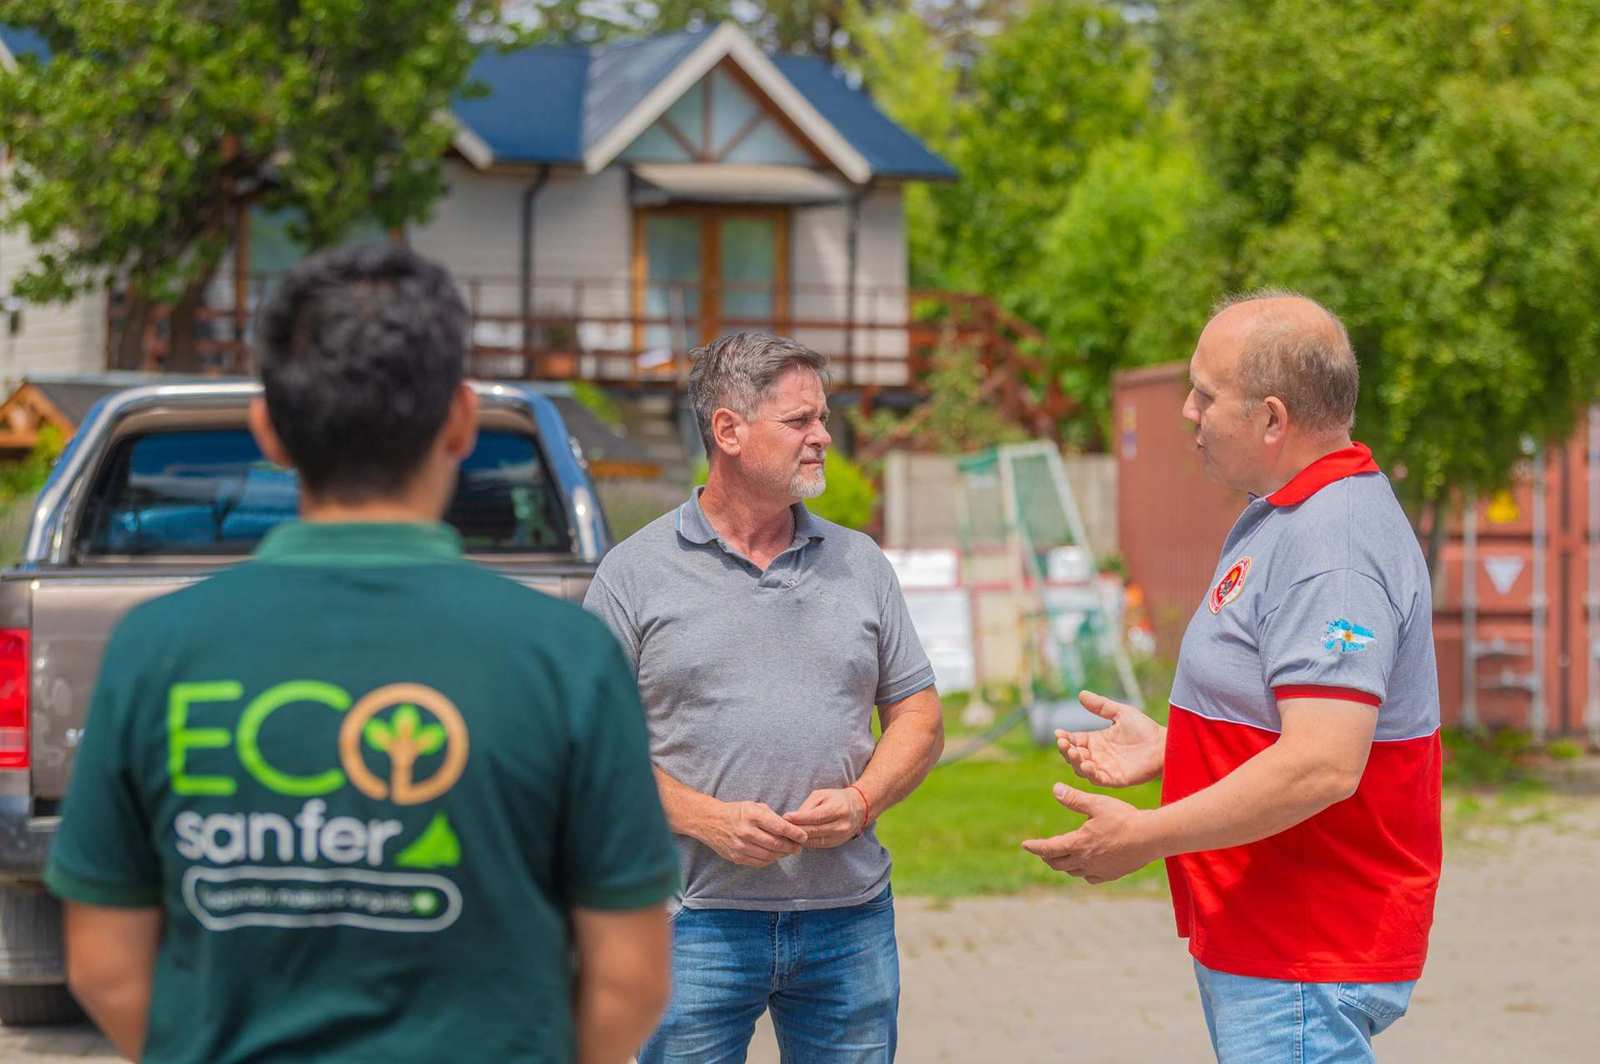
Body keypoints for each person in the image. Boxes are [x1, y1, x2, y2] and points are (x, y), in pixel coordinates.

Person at [45, 244, 677, 1064]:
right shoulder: (568, 656)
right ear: (460, 420)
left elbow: (103, 964)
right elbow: (630, 977)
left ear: (267, 428)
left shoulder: (157, 648)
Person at [1023, 291, 1442, 1063]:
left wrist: (1144, 835)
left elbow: (1322, 762)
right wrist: (1176, 746)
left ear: (1273, 419)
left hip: (1304, 951)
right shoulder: (1289, 513)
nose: (1187, 411)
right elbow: (1286, 715)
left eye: (1205, 395)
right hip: (1271, 943)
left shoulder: (1332, 546)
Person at [583, 331, 945, 1063]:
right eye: (800, 421)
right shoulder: (633, 574)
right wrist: (704, 818)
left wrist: (862, 801)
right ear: (729, 430)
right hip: (691, 924)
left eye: (822, 417)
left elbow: (919, 715)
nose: (823, 438)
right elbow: (589, 750)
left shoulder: (860, 562)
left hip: (848, 921)